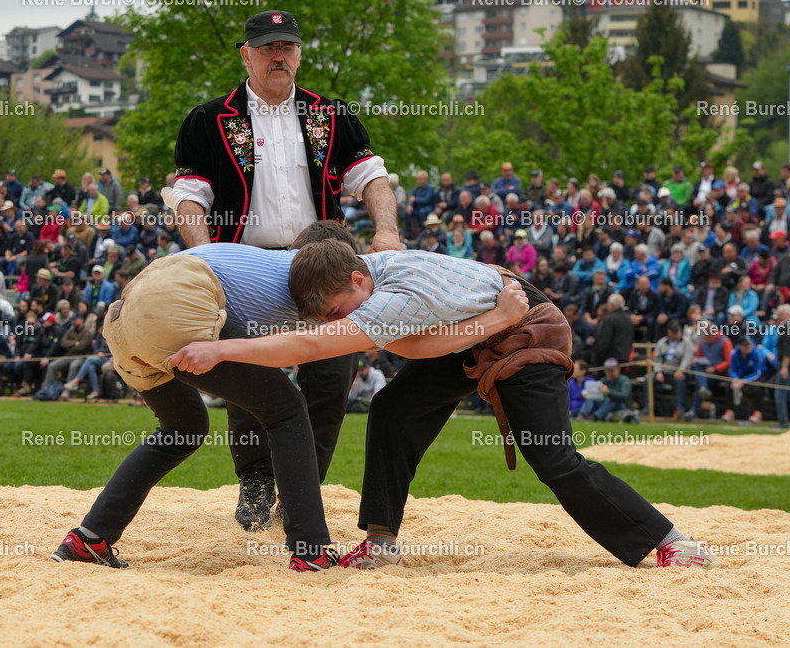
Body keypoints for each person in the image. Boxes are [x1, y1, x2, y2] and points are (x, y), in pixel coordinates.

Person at [173, 240, 718, 570]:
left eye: (341, 309)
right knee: (391, 408)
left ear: (358, 277)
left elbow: (321, 346)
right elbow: (416, 345)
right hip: (481, 328)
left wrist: (221, 348)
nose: (340, 322)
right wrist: (489, 321)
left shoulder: (396, 293)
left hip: (527, 329)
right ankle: (381, 541)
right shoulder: (373, 272)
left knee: (553, 459)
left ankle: (670, 542)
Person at [52, 229, 520, 571]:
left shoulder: (266, 262)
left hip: (126, 312)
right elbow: (307, 347)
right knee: (287, 411)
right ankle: (311, 550)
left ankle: (89, 538)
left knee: (183, 429)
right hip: (181, 299)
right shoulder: (316, 282)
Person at [165, 10, 403, 532]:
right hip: (248, 263)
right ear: (246, 54)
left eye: (288, 47)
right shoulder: (209, 119)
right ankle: (255, 480)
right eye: (268, 47)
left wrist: (386, 230)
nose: (280, 56)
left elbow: (373, 176)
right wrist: (205, 259)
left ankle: (302, 486)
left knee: (330, 377)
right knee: (252, 372)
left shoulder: (331, 115)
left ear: (299, 54)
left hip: (324, 261)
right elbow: (189, 196)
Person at [647, 321, 694, 419]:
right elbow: (657, 358)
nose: (676, 333)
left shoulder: (687, 343)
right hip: (663, 372)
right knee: (648, 378)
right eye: (674, 332)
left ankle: (680, 410)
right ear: (669, 332)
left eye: (677, 331)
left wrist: (681, 370)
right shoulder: (662, 342)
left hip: (679, 372)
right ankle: (648, 408)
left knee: (680, 380)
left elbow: (687, 359)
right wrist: (658, 371)